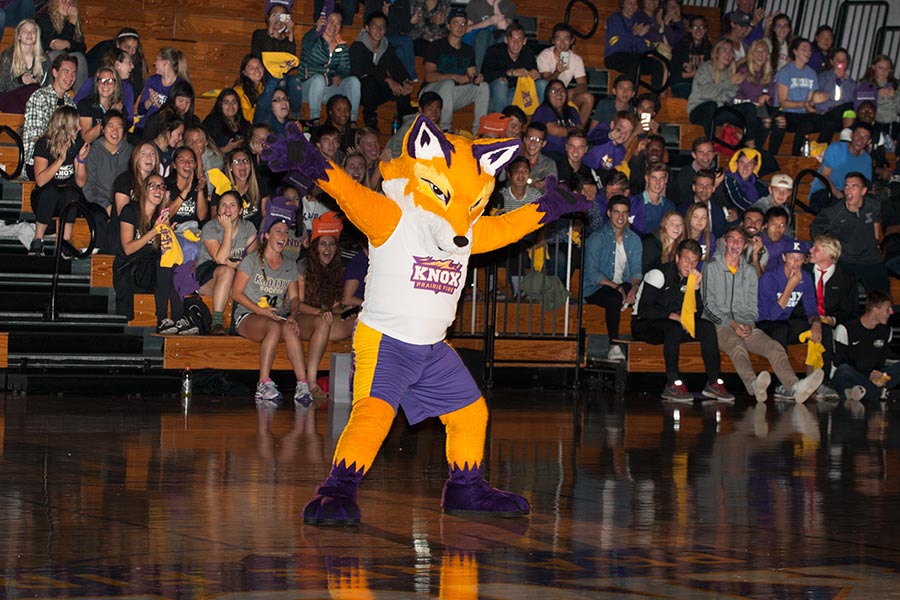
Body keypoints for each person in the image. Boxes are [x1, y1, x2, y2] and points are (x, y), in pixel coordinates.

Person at [702, 226, 824, 403]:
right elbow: (708, 306)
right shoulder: (711, 266)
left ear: (745, 245)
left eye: (740, 240)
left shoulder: (749, 271)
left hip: (745, 323)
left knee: (774, 347)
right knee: (737, 346)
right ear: (725, 242)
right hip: (719, 324)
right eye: (732, 239)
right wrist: (733, 324)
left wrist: (749, 324)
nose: (736, 244)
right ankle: (753, 385)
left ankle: (795, 387)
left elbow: (753, 307)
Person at [232, 201, 316, 408]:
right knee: (273, 327)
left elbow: (295, 298)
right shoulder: (251, 260)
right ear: (267, 235)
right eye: (278, 231)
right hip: (249, 315)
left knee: (288, 327)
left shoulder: (289, 264)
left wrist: (294, 315)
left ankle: (302, 384)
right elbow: (236, 293)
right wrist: (261, 311)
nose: (283, 236)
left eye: (286, 233)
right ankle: (263, 384)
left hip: (276, 316)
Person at [632, 238, 733, 402]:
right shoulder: (658, 274)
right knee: (673, 327)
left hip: (674, 324)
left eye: (694, 262)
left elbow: (697, 313)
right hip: (644, 324)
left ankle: (714, 382)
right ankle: (672, 384)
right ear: (677, 258)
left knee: (706, 327)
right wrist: (675, 316)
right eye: (686, 260)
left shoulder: (691, 279)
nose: (690, 266)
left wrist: (696, 289)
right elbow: (645, 309)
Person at [114, 173, 197, 335]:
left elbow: (159, 247)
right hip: (131, 267)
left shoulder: (161, 216)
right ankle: (162, 319)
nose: (158, 189)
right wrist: (154, 231)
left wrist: (166, 233)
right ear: (144, 190)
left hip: (153, 268)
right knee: (164, 261)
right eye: (153, 186)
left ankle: (178, 319)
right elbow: (128, 249)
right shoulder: (130, 210)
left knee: (173, 261)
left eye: (162, 186)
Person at [295, 212, 356, 403]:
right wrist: (320, 312)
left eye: (331, 244)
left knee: (359, 319)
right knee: (323, 322)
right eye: (323, 244)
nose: (327, 248)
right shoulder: (303, 266)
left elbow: (336, 307)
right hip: (302, 319)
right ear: (315, 247)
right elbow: (297, 305)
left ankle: (360, 380)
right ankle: (311, 383)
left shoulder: (336, 270)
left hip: (325, 321)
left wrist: (350, 312)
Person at [583, 195, 642, 362]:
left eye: (624, 213)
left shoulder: (634, 239)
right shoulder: (597, 238)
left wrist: (634, 287)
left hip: (622, 284)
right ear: (609, 213)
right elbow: (592, 274)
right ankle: (612, 345)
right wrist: (617, 287)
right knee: (614, 297)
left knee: (644, 295)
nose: (621, 217)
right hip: (596, 287)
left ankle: (641, 345)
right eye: (617, 212)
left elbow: (636, 272)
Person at [811, 172, 887, 293]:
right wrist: (829, 251)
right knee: (846, 298)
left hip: (871, 259)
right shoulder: (833, 211)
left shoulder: (874, 205)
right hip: (845, 261)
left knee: (882, 299)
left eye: (854, 186)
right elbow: (815, 229)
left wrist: (876, 241)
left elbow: (876, 218)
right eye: (846, 186)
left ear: (863, 191)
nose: (848, 190)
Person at [196, 190, 258, 335]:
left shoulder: (248, 228)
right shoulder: (210, 227)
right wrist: (228, 230)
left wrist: (240, 265)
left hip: (234, 279)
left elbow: (253, 259)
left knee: (246, 283)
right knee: (227, 270)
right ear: (217, 210)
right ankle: (217, 322)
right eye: (223, 205)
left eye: (232, 205)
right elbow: (220, 259)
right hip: (208, 277)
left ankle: (242, 324)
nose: (227, 209)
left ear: (240, 210)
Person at [28, 105, 86, 255]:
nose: (80, 128)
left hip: (66, 198)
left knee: (71, 192)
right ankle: (37, 240)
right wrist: (60, 160)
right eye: (76, 125)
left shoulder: (78, 143)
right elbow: (40, 181)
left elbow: (81, 182)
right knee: (51, 191)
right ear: (65, 126)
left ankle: (65, 243)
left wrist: (80, 161)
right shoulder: (43, 144)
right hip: (43, 198)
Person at [419, 8, 489, 133]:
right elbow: (429, 76)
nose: (460, 27)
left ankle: (479, 131)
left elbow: (472, 75)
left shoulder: (468, 50)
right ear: (448, 26)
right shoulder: (436, 46)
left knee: (483, 87)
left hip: (452, 96)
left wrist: (476, 78)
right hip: (430, 94)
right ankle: (445, 128)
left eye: (463, 24)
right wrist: (453, 76)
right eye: (456, 23)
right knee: (448, 83)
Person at [806, 234, 858, 399]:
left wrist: (832, 319)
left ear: (829, 254)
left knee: (827, 330)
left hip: (830, 323)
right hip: (805, 319)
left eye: (816, 248)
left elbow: (850, 310)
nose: (811, 250)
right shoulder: (804, 272)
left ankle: (823, 381)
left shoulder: (845, 278)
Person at [349, 11, 414, 131]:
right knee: (369, 81)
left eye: (382, 27)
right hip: (357, 92)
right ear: (367, 28)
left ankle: (405, 118)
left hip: (376, 90)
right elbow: (365, 68)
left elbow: (396, 66)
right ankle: (370, 119)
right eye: (375, 26)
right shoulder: (358, 46)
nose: (378, 30)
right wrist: (387, 79)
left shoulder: (386, 46)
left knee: (400, 84)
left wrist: (406, 81)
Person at [832, 289, 897, 404]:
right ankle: (881, 393)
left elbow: (882, 361)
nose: (891, 312)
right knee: (843, 371)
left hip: (875, 376)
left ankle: (861, 392)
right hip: (854, 375)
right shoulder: (846, 329)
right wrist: (868, 376)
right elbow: (840, 363)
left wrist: (879, 375)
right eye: (888, 309)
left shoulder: (886, 331)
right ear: (875, 310)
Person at [300, 10, 361, 125]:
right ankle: (315, 119)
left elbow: (345, 68)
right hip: (308, 88)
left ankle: (352, 121)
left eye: (338, 23)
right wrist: (316, 29)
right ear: (323, 22)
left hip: (329, 90)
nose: (334, 26)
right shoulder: (314, 39)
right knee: (319, 79)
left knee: (354, 81)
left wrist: (341, 75)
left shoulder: (341, 45)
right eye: (331, 21)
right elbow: (305, 43)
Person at [756, 240, 821, 347]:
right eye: (791, 258)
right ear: (784, 257)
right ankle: (781, 364)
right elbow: (772, 315)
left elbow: (811, 309)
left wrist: (816, 323)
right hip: (765, 323)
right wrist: (790, 287)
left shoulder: (806, 277)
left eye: (800, 258)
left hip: (786, 322)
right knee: (781, 329)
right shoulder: (770, 277)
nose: (795, 263)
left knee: (824, 329)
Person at [771, 37, 828, 156]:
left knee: (827, 122)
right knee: (805, 124)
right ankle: (795, 156)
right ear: (795, 51)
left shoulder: (812, 73)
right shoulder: (785, 72)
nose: (808, 52)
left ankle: (820, 155)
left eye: (809, 50)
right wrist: (804, 104)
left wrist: (814, 101)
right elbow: (783, 102)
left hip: (804, 114)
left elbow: (809, 105)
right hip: (788, 113)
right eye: (804, 49)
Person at [21, 53, 77, 172]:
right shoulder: (40, 97)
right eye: (66, 72)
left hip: (63, 161)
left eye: (73, 73)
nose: (70, 77)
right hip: (37, 161)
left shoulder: (71, 104)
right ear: (55, 73)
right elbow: (35, 137)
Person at [808, 121, 873, 213]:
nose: (860, 140)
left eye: (865, 137)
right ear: (851, 135)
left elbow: (865, 184)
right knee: (839, 207)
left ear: (869, 141)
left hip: (848, 195)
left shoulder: (866, 159)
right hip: (824, 191)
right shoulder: (836, 148)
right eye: (858, 135)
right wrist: (841, 197)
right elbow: (824, 177)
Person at [482, 22, 544, 114]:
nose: (516, 43)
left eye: (519, 40)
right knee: (501, 83)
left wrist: (536, 75)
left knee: (542, 84)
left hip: (518, 94)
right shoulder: (494, 51)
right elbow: (485, 75)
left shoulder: (527, 53)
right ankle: (501, 119)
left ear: (524, 41)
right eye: (512, 39)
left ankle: (537, 120)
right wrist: (511, 72)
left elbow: (534, 75)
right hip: (496, 94)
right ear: (506, 40)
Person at [537, 23, 593, 125]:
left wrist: (571, 92)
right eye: (558, 39)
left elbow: (583, 84)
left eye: (566, 39)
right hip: (547, 96)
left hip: (563, 95)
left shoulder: (576, 59)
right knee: (548, 89)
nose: (562, 43)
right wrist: (557, 72)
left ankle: (578, 131)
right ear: (553, 40)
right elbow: (545, 85)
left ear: (572, 41)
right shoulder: (544, 56)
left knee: (588, 97)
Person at [603, 0, 664, 92]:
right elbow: (617, 44)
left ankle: (653, 97)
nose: (632, 6)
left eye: (635, 3)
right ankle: (630, 96)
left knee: (657, 65)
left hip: (634, 56)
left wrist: (637, 38)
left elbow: (642, 48)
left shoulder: (639, 21)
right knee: (634, 63)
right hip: (614, 56)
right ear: (622, 4)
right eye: (629, 3)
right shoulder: (614, 18)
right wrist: (634, 34)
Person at [81, 109, 132, 217]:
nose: (115, 131)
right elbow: (89, 187)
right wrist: (106, 206)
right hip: (97, 204)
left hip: (124, 203)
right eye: (111, 126)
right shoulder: (93, 152)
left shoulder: (130, 151)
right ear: (103, 129)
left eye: (119, 127)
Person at [35, 0, 87, 89]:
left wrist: (67, 44)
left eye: (70, 2)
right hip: (43, 61)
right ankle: (50, 95)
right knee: (56, 55)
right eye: (63, 1)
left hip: (65, 63)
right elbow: (55, 46)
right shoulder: (43, 18)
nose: (67, 4)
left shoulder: (73, 21)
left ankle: (82, 99)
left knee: (79, 57)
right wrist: (71, 24)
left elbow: (82, 47)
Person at [0, 19, 48, 113]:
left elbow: (47, 87)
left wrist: (36, 82)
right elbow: (2, 86)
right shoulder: (8, 56)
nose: (29, 34)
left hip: (32, 99)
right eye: (25, 31)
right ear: (18, 36)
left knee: (34, 90)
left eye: (33, 32)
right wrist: (20, 81)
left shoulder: (44, 60)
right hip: (9, 97)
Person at [530, 79, 581, 163]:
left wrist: (571, 131)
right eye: (553, 91)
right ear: (547, 94)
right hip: (550, 153)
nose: (559, 93)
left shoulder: (572, 111)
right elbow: (555, 130)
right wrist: (573, 130)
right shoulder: (543, 110)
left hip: (572, 152)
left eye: (562, 90)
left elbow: (581, 130)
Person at [669, 136, 724, 213]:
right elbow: (684, 199)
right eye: (701, 152)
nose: (706, 156)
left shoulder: (717, 174)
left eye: (709, 152)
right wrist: (713, 186)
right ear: (694, 155)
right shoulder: (685, 173)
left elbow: (722, 201)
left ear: (713, 154)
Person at [84, 27, 146, 95]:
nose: (130, 52)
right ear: (118, 44)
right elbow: (87, 65)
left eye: (134, 49)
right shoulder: (103, 50)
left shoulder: (137, 63)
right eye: (127, 47)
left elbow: (135, 88)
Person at [383, 90, 441, 159]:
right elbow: (394, 151)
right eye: (430, 108)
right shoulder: (410, 127)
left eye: (438, 109)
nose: (434, 113)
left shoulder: (434, 128)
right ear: (420, 109)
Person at [815, 48, 855, 144]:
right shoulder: (822, 78)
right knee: (829, 122)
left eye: (843, 60)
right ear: (832, 61)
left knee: (849, 108)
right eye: (838, 60)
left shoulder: (851, 83)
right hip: (824, 115)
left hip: (841, 118)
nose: (840, 62)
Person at [137, 46, 189, 123]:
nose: (154, 63)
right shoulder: (152, 80)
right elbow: (140, 111)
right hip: (145, 126)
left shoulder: (180, 86)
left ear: (165, 63)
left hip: (164, 128)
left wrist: (160, 107)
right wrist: (150, 101)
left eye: (157, 60)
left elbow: (178, 117)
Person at [855, 55, 900, 142]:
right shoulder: (865, 84)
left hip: (891, 122)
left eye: (887, 69)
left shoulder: (895, 85)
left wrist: (895, 96)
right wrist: (876, 93)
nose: (884, 72)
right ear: (873, 67)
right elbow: (858, 103)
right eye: (881, 68)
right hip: (872, 122)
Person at [462, 0, 514, 73]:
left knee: (504, 38)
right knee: (484, 34)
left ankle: (498, 74)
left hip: (495, 41)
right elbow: (465, 29)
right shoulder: (474, 3)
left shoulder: (508, 4)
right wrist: (488, 22)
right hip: (477, 42)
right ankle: (477, 74)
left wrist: (496, 5)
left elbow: (503, 28)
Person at [76, 67, 123, 145]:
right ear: (97, 83)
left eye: (110, 81)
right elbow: (86, 138)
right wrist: (110, 116)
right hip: (90, 151)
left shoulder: (119, 107)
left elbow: (121, 139)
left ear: (115, 85)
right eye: (102, 80)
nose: (106, 84)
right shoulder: (85, 104)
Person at [669, 14, 710, 99]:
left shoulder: (709, 48)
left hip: (700, 86)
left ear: (705, 30)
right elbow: (678, 75)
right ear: (690, 29)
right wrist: (697, 73)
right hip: (682, 85)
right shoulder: (680, 46)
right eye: (695, 27)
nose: (698, 30)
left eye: (701, 27)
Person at [202, 88, 251, 154]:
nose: (230, 106)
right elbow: (204, 150)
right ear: (220, 105)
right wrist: (226, 149)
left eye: (234, 102)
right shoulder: (211, 123)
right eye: (226, 102)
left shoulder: (245, 125)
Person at [723, 147, 767, 212]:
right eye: (742, 162)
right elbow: (736, 200)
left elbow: (767, 198)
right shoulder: (729, 180)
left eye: (750, 163)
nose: (745, 167)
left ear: (755, 166)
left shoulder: (758, 183)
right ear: (736, 164)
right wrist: (757, 213)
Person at [638, 159, 674, 234]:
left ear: (666, 180)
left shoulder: (669, 206)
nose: (658, 183)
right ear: (647, 179)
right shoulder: (635, 203)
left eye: (661, 178)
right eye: (654, 178)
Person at [519, 122, 557, 191]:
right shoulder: (513, 160)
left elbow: (551, 191)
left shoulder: (548, 164)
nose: (533, 143)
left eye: (538, 140)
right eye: (530, 138)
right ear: (524, 139)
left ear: (543, 143)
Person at [235, 54, 265, 124]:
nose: (257, 70)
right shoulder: (239, 91)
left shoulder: (264, 87)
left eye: (259, 66)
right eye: (251, 68)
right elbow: (247, 118)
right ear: (244, 73)